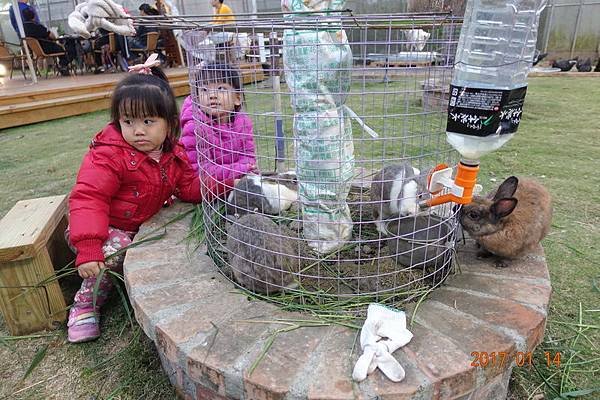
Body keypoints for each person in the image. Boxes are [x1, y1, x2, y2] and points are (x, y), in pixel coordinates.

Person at [66, 60, 234, 343]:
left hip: (137, 229)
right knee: (116, 249)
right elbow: (89, 197)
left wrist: (225, 182)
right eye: (128, 122)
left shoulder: (173, 153)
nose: (138, 131)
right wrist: (89, 245)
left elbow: (190, 189)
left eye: (148, 121)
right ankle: (85, 304)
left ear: (169, 123)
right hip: (102, 232)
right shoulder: (109, 155)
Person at [180, 63, 256, 181]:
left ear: (237, 98)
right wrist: (241, 169)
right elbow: (201, 170)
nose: (212, 95)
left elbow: (249, 157)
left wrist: (244, 168)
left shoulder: (243, 123)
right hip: (203, 186)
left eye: (221, 89)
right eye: (204, 89)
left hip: (233, 179)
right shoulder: (194, 126)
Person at [21, 8, 72, 76]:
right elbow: (52, 36)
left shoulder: (23, 28)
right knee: (62, 50)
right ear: (33, 16)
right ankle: (63, 66)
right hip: (46, 48)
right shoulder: (37, 26)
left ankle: (60, 66)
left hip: (35, 50)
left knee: (60, 49)